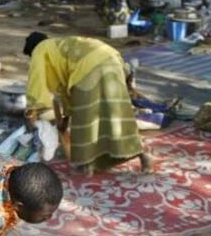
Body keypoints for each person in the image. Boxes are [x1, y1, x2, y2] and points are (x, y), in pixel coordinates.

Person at [23, 32, 150, 175]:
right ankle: (142, 153)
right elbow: (65, 90)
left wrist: (31, 113)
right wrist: (65, 118)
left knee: (84, 122)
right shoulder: (61, 44)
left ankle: (86, 165)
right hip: (112, 59)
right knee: (117, 120)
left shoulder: (40, 49)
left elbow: (36, 85)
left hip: (89, 69)